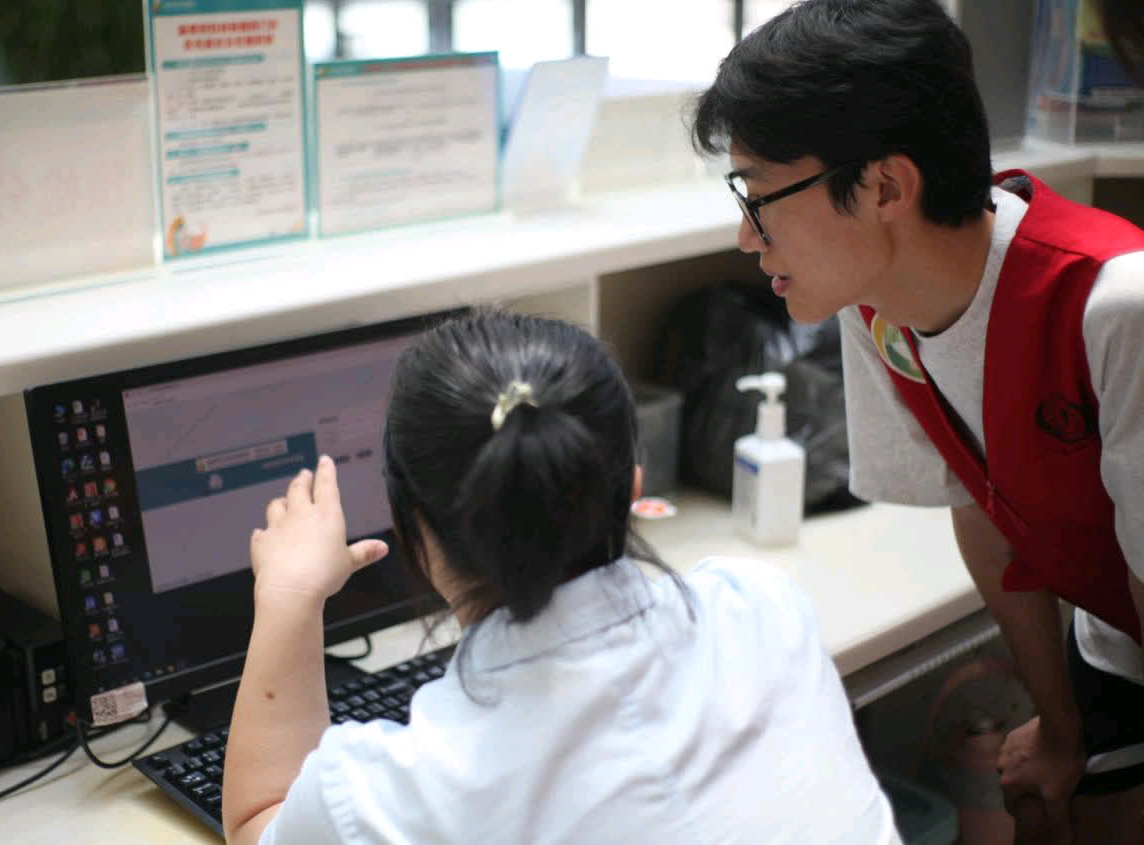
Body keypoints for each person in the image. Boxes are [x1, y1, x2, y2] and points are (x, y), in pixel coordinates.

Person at [691, 1, 1144, 842]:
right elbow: (982, 512)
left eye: (758, 195)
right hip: (1111, 637)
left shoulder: (1113, 304)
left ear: (885, 186)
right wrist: (1057, 721)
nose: (745, 236)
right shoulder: (875, 308)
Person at [220, 310, 900, 844]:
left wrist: (287, 597)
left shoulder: (404, 793)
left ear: (412, 531)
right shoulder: (762, 607)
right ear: (632, 487)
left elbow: (260, 820)